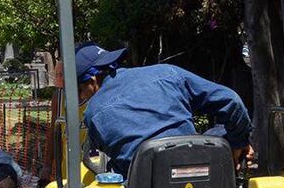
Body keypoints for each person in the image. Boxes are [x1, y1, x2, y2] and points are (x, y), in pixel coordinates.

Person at [76, 44, 254, 177]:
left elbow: (95, 158)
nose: (83, 97)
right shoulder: (167, 73)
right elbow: (232, 101)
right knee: (223, 135)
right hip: (197, 176)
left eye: (81, 90)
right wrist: (238, 144)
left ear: (92, 81)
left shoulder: (93, 113)